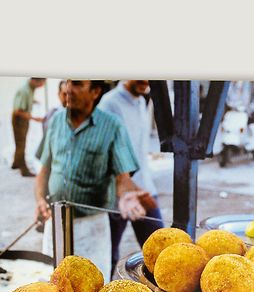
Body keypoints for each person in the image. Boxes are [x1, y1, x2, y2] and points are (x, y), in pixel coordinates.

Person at [35, 79, 153, 281]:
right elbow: (45, 170)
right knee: (51, 291)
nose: (68, 89)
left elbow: (122, 177)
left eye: (78, 84)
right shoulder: (55, 121)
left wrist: (126, 195)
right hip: (55, 222)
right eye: (67, 83)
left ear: (96, 91)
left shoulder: (113, 126)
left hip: (91, 227)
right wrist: (39, 199)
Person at [98, 80, 165, 278]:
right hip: (117, 192)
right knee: (109, 254)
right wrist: (128, 187)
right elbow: (106, 154)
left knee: (159, 251)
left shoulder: (142, 102)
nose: (145, 81)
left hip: (143, 185)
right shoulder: (109, 104)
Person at [12, 77, 46, 177]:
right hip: (19, 119)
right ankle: (24, 169)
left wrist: (34, 101)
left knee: (20, 143)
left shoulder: (31, 89)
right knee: (21, 144)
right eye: (42, 83)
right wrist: (35, 118)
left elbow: (26, 100)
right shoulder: (25, 90)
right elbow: (18, 111)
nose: (42, 86)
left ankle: (15, 164)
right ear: (35, 81)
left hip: (23, 118)